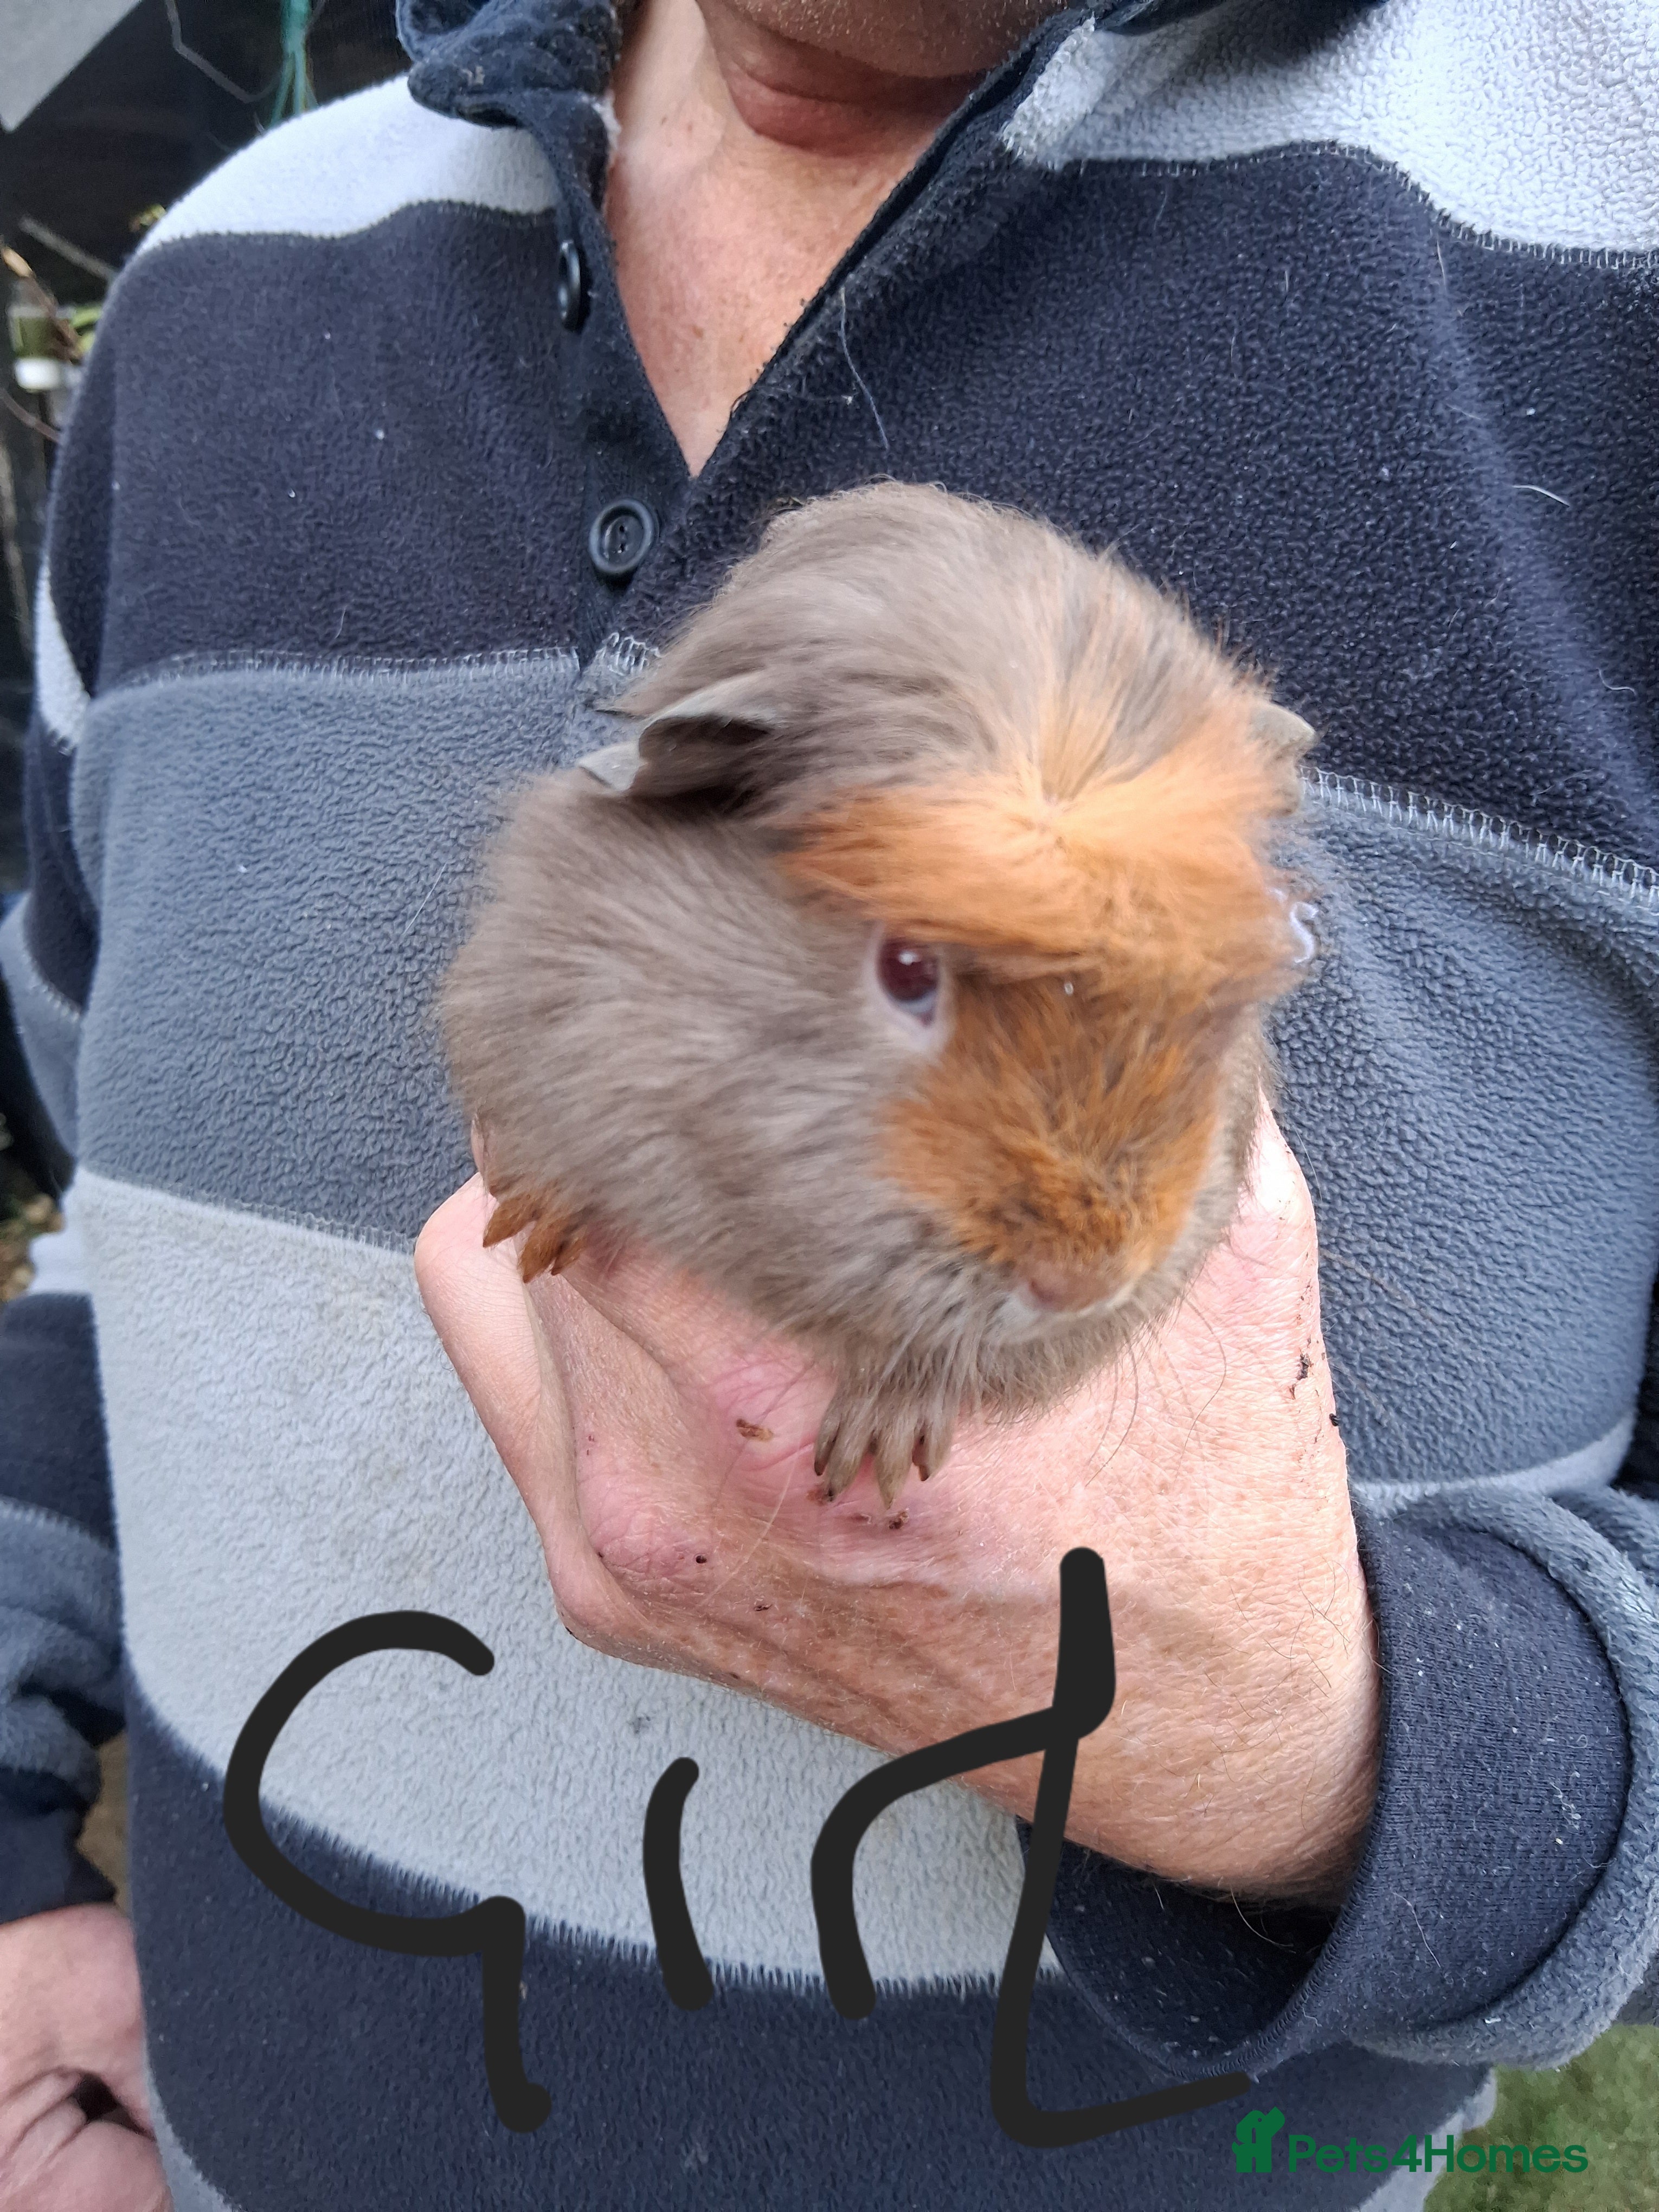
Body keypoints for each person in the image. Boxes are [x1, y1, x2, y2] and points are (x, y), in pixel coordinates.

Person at [1, 0, 1655, 2204]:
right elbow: (105, 1254)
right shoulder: (214, 292)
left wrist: (1331, 1741)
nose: (1078, 1197)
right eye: (915, 968)